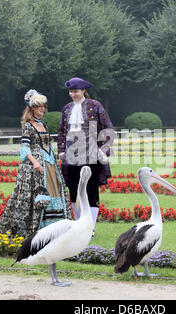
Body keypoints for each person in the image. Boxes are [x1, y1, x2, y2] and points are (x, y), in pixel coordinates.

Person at [0, 90, 71, 238]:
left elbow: (48, 144)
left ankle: (56, 226)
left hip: (49, 162)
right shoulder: (28, 126)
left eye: (44, 106)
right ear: (32, 108)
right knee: (35, 196)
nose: (43, 109)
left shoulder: (44, 125)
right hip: (35, 165)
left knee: (55, 191)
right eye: (39, 106)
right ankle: (38, 227)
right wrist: (35, 162)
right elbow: (24, 148)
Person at [58, 77, 114, 235]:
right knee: (74, 190)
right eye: (70, 92)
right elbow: (62, 131)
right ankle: (79, 225)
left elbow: (107, 128)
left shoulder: (95, 106)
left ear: (83, 91)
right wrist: (61, 150)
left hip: (91, 155)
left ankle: (91, 227)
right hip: (70, 156)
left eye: (75, 91)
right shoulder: (67, 109)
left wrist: (104, 150)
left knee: (91, 190)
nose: (72, 94)